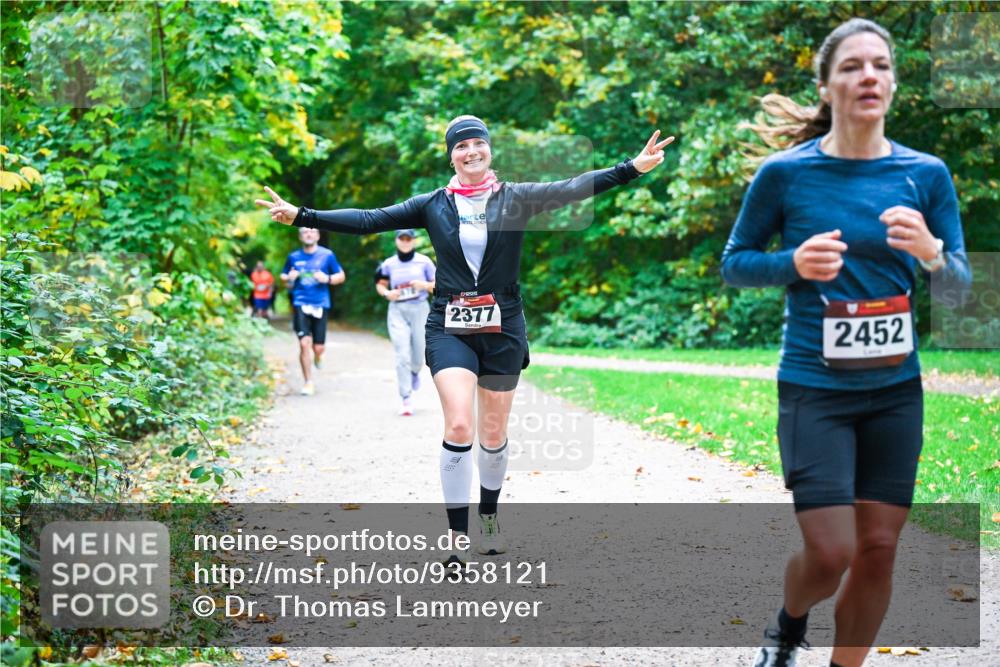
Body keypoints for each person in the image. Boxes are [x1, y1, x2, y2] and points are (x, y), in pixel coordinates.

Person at [258, 115, 673, 562]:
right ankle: (457, 538)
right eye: (461, 146)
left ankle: (489, 516)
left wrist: (632, 168)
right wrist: (303, 215)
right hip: (449, 325)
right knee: (459, 425)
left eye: (478, 143)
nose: (471, 151)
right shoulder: (432, 204)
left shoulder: (516, 198)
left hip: (503, 325)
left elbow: (573, 187)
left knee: (492, 434)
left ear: (489, 149)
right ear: (451, 155)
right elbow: (369, 219)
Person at [720, 18, 971, 667]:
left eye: (881, 65)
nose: (869, 76)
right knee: (832, 551)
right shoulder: (786, 174)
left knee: (879, 547)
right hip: (815, 388)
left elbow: (961, 289)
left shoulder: (926, 174)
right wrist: (792, 263)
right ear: (826, 86)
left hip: (895, 391)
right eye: (853, 66)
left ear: (894, 83)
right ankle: (788, 624)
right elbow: (735, 262)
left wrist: (933, 254)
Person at [374, 229, 437, 416]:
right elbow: (380, 284)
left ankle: (415, 372)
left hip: (420, 309)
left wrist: (424, 285)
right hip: (397, 310)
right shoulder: (389, 264)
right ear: (396, 241)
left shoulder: (424, 262)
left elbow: (439, 285)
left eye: (408, 238)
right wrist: (387, 293)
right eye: (401, 238)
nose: (405, 242)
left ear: (414, 241)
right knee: (402, 354)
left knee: (419, 353)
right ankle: (406, 398)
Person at [280, 227, 346, 396]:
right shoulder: (293, 257)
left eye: (312, 231)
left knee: (318, 347)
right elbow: (283, 277)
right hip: (300, 303)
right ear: (300, 236)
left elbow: (341, 276)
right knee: (304, 343)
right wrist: (289, 278)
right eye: (305, 232)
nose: (308, 234)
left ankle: (317, 356)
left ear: (317, 235)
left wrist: (327, 278)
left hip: (320, 304)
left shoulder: (327, 255)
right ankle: (308, 382)